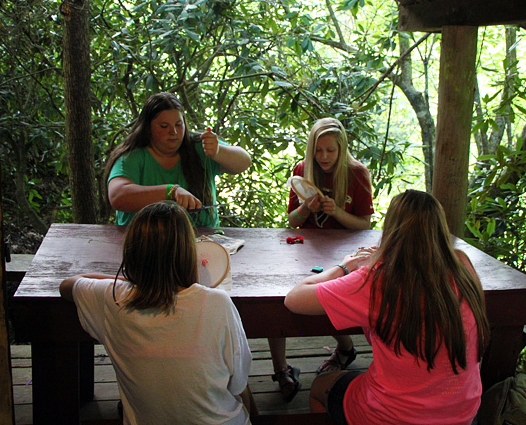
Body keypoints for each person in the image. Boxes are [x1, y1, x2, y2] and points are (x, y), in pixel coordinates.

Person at [284, 190, 490, 425]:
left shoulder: (380, 279)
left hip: (393, 416)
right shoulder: (462, 265)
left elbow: (294, 298)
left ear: (392, 229)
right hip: (463, 413)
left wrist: (345, 266)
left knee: (321, 385)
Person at [59, 202, 253, 424]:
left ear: (132, 252)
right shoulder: (217, 303)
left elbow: (68, 285)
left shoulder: (113, 299)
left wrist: (137, 284)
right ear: (188, 252)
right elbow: (238, 382)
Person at [269, 118, 375, 402]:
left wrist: (337, 211)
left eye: (331, 150)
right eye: (319, 150)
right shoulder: (302, 171)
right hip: (306, 251)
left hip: (346, 254)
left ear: (341, 150)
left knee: (330, 299)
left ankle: (345, 348)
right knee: (277, 299)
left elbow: (364, 225)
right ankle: (281, 369)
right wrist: (306, 206)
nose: (324, 157)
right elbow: (292, 221)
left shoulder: (357, 173)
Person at [105, 92, 251, 226]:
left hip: (202, 243)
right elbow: (118, 196)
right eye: (164, 126)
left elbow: (244, 162)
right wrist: (171, 191)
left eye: (178, 125)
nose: (173, 132)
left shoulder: (199, 147)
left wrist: (218, 152)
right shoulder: (132, 157)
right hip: (144, 245)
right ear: (147, 128)